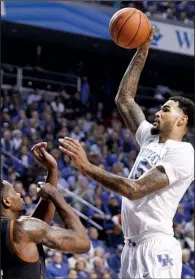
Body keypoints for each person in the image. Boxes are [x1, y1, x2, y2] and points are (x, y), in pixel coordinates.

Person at [58, 28, 194, 279]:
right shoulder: (151, 138)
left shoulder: (184, 153)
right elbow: (124, 99)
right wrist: (142, 50)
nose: (157, 112)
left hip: (156, 245)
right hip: (131, 246)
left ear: (182, 120)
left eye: (166, 109)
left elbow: (135, 189)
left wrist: (87, 167)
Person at [1, 142, 90, 279]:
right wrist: (56, 195)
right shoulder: (23, 228)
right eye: (14, 192)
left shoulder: (15, 230)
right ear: (6, 201)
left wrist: (52, 170)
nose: (19, 194)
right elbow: (83, 242)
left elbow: (39, 222)